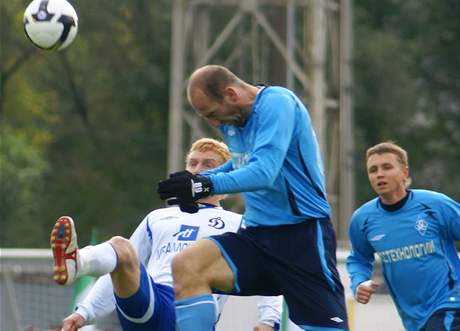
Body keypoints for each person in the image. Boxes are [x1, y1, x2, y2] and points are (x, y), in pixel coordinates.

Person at [157, 65, 348, 331]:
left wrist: (203, 185)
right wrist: (193, 184)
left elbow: (263, 171)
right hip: (257, 238)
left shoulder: (278, 103)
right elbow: (238, 163)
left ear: (231, 94)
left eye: (212, 114)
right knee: (188, 265)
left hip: (303, 240)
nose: (213, 124)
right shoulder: (233, 118)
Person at [51, 138, 282, 331]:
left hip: (193, 307)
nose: (197, 169)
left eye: (208, 164)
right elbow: (119, 265)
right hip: (152, 302)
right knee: (121, 247)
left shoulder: (239, 223)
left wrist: (269, 320)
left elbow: (269, 271)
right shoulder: (158, 217)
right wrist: (84, 312)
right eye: (192, 163)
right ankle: (77, 262)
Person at [346, 141, 460, 331]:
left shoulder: (435, 205)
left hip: (450, 301)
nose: (379, 174)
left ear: (405, 172)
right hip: (413, 318)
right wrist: (359, 283)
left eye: (387, 167)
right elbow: (358, 258)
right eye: (373, 170)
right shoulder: (363, 220)